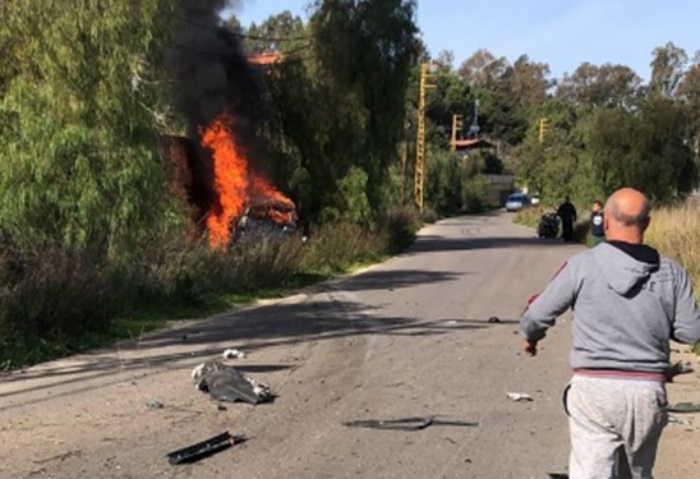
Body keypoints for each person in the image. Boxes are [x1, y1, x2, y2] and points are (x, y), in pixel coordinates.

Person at [520, 187, 700, 478]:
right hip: (647, 393)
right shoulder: (672, 272)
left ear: (603, 219)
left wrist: (531, 337)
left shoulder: (582, 265)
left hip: (594, 391)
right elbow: (691, 331)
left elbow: (538, 314)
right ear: (648, 223)